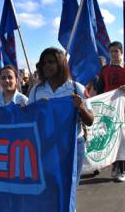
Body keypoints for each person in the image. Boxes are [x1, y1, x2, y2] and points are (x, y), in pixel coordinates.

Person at [28, 47, 94, 187]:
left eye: (51, 62)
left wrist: (81, 107)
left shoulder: (77, 88)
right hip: (46, 146)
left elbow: (90, 121)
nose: (46, 66)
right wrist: (36, 110)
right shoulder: (36, 92)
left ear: (61, 64)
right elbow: (30, 121)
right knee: (52, 188)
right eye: (44, 63)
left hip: (73, 145)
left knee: (70, 187)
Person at [97, 41, 125, 182]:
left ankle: (123, 169)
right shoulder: (104, 70)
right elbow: (99, 89)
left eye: (116, 51)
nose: (114, 54)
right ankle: (115, 166)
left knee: (124, 138)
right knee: (111, 138)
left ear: (121, 52)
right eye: (111, 51)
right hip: (109, 108)